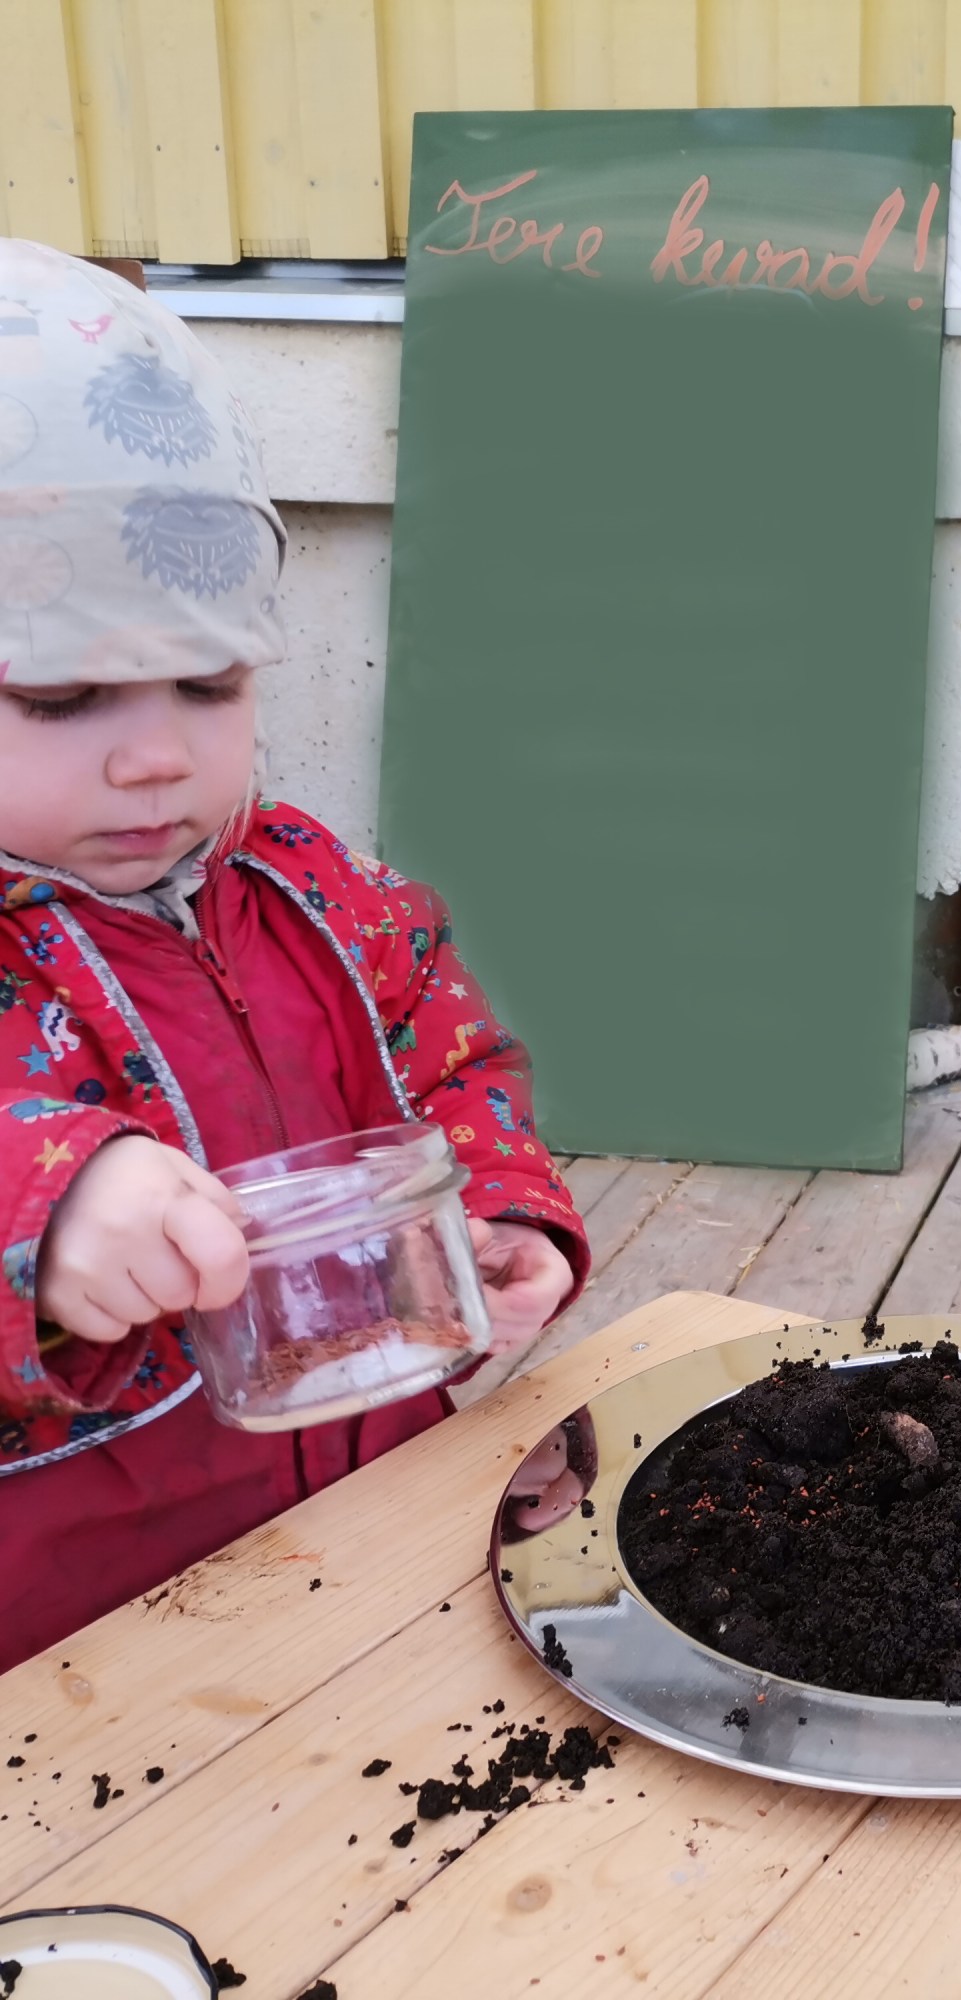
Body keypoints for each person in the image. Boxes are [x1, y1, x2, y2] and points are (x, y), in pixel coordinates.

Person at [0, 241, 588, 1671]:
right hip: (86, 1639)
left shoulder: (307, 884)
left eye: (209, 682)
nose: (157, 754)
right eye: (63, 698)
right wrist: (46, 1214)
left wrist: (495, 1212)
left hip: (375, 1515)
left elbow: (452, 1059)